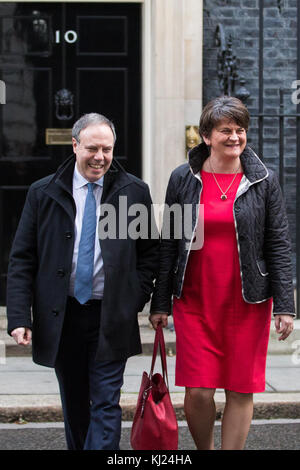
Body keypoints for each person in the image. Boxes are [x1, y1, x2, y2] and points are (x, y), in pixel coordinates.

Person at [6, 113, 159, 450]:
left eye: (107, 149)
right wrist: (19, 317)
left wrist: (134, 297)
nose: (100, 157)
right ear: (75, 146)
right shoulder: (43, 192)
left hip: (110, 314)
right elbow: (22, 258)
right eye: (92, 148)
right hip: (62, 316)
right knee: (75, 406)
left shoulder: (134, 191)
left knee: (106, 402)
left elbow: (150, 252)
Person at [150, 96, 295, 450]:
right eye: (225, 130)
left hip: (247, 302)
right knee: (198, 391)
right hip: (196, 301)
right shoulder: (183, 179)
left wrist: (285, 305)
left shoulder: (263, 181)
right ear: (206, 136)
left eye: (240, 130)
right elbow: (170, 242)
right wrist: (160, 301)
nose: (235, 137)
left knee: (240, 387)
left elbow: (278, 242)